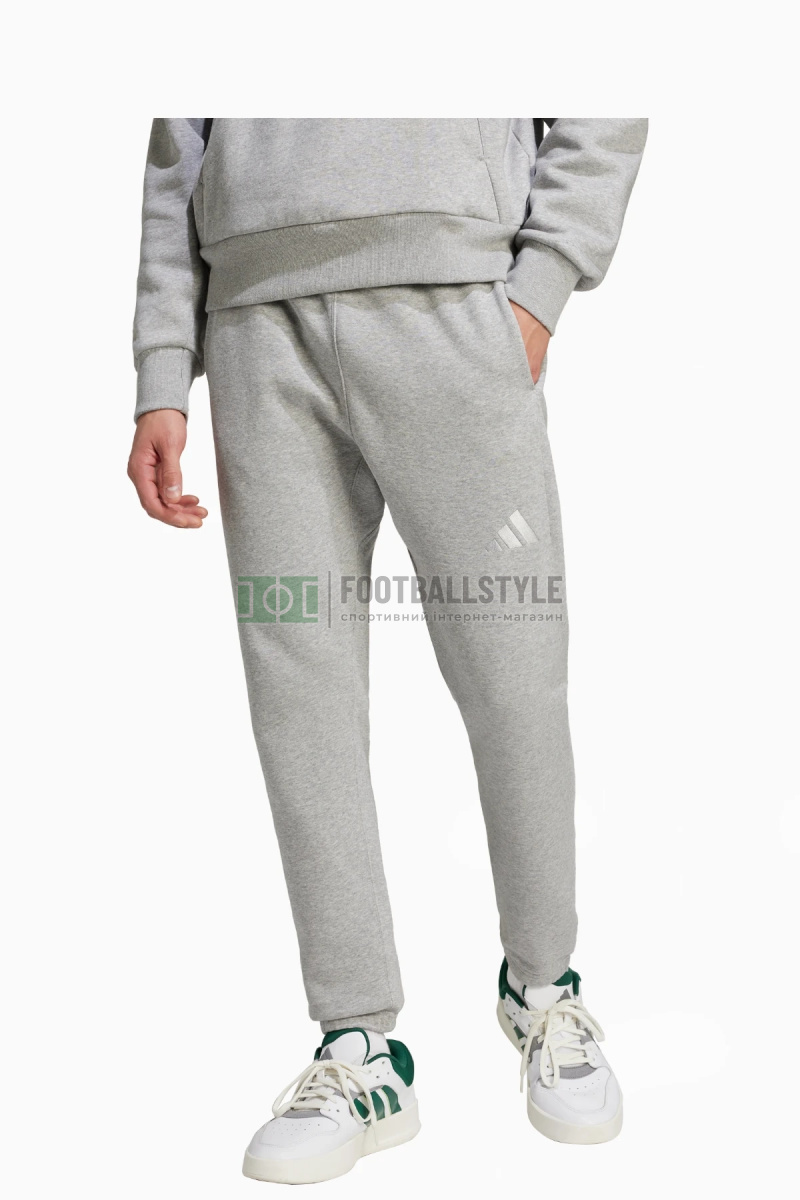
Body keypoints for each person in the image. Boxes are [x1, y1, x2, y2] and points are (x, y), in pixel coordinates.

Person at [129, 118, 647, 1182]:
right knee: (300, 701)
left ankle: (542, 989)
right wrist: (163, 368)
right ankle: (358, 1046)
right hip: (255, 323)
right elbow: (177, 143)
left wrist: (538, 287)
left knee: (512, 675)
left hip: (453, 304)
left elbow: (608, 88)